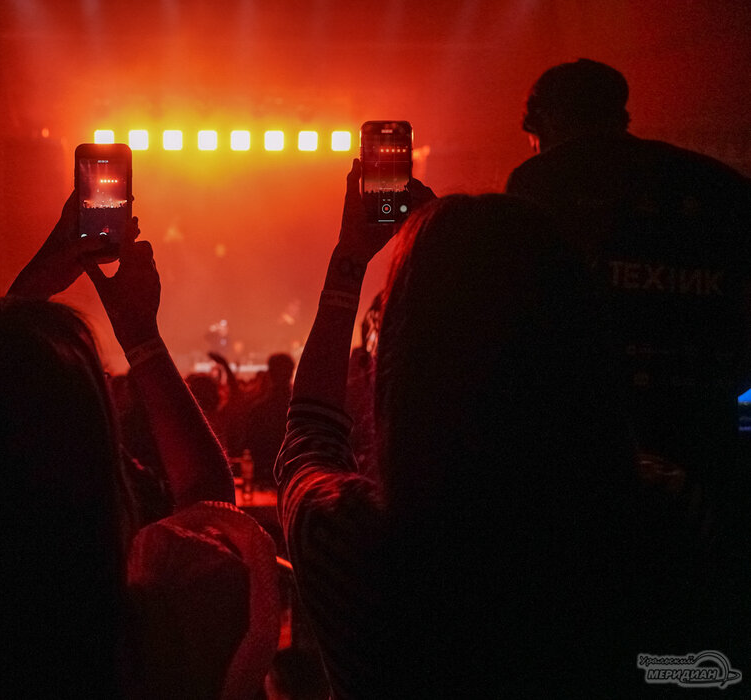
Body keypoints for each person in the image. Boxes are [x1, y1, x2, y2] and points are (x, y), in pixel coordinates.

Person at [276, 162, 689, 696]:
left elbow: (309, 431)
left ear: (406, 357)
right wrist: (472, 254)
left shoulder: (355, 541)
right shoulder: (666, 514)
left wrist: (353, 259)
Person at [0, 193, 278, 698]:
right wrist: (139, 333)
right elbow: (206, 507)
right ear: (91, 439)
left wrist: (27, 296)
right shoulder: (135, 636)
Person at [505, 59, 751, 541]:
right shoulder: (721, 187)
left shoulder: (538, 183)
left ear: (544, 122)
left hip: (582, 443)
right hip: (706, 430)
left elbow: (519, 317)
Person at [242, 353, 295, 485]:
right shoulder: (301, 409)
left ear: (270, 374)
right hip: (295, 478)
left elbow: (250, 445)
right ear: (291, 372)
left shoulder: (258, 409)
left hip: (264, 477)